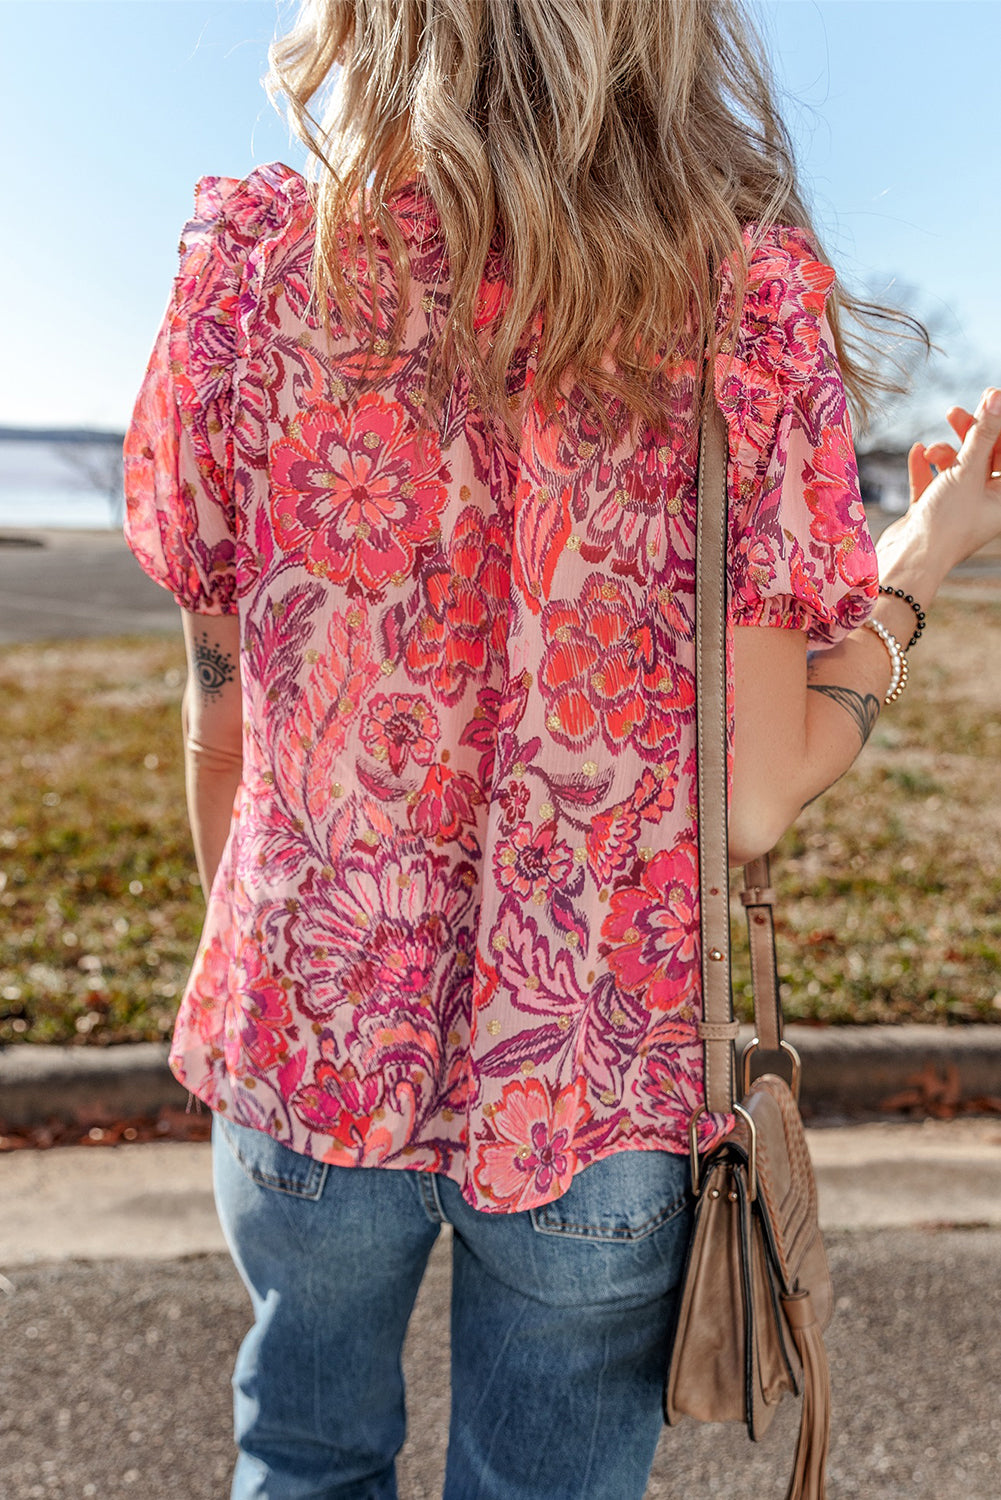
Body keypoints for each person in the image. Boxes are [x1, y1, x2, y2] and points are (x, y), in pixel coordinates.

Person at [122, 2, 1001, 1496]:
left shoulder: (249, 274)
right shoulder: (738, 303)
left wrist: (268, 964)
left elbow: (228, 721)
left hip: (305, 1039)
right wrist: (923, 558)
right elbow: (757, 793)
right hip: (594, 1088)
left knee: (299, 1455)